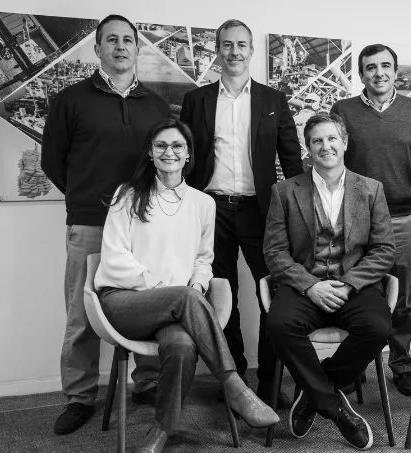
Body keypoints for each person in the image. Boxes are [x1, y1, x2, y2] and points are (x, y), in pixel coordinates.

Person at [95, 119, 279, 453]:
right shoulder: (128, 195)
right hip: (124, 301)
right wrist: (164, 289)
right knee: (184, 297)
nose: (170, 152)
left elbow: (203, 259)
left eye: (177, 145)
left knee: (181, 345)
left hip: (177, 310)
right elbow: (114, 256)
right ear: (150, 153)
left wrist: (196, 283)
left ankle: (161, 430)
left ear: (189, 154)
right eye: (161, 145)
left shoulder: (203, 203)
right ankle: (235, 387)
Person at [41, 14, 168, 435]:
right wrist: (88, 196)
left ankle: (147, 383)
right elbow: (52, 162)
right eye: (111, 40)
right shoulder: (70, 100)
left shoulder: (155, 105)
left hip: (144, 224)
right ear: (97, 49)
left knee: (147, 306)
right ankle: (79, 397)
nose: (120, 46)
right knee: (83, 314)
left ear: (137, 48)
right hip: (90, 222)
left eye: (128, 40)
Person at [180, 19, 304, 406]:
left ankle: (270, 380)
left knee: (273, 293)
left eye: (241, 45)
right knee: (221, 295)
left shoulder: (273, 101)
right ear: (217, 50)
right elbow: (186, 159)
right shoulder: (196, 100)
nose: (234, 52)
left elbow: (292, 160)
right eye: (227, 45)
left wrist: (298, 212)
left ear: (251, 50)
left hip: (261, 211)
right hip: (210, 209)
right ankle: (233, 378)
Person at [263, 113, 395, 450]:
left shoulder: (371, 189)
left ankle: (314, 394)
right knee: (279, 325)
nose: (326, 146)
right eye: (317, 141)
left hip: (354, 286)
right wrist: (310, 286)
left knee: (378, 328)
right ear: (308, 149)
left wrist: (349, 284)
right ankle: (335, 408)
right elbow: (275, 252)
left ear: (344, 142)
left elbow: (384, 250)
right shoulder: (284, 191)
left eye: (332, 138)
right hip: (305, 285)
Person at [331, 44, 411, 397]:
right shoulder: (343, 110)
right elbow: (333, 161)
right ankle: (356, 365)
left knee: (401, 296)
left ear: (395, 71)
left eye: (386, 66)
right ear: (361, 74)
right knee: (356, 291)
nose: (379, 73)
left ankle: (401, 365)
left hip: (403, 217)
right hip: (354, 217)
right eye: (371, 67)